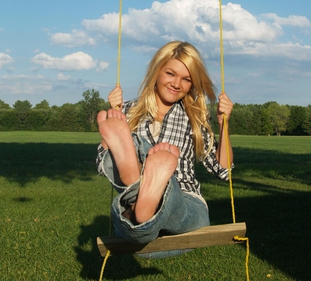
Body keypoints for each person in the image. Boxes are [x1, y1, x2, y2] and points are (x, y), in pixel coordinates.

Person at [96, 41, 234, 257]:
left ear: (193, 84)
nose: (177, 84)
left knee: (137, 225)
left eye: (187, 79)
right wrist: (115, 113)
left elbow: (223, 170)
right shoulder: (129, 111)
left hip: (187, 200)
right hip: (142, 217)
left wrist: (224, 123)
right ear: (157, 71)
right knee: (137, 234)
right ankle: (140, 187)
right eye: (170, 73)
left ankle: (145, 193)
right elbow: (101, 166)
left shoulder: (195, 117)